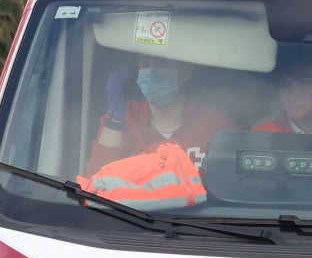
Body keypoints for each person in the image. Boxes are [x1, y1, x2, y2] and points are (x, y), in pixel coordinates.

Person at [85, 58, 235, 177]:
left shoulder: (216, 124)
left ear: (185, 72)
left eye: (162, 64)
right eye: (145, 64)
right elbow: (95, 181)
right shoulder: (122, 118)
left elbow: (232, 187)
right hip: (130, 215)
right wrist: (116, 119)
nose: (151, 73)